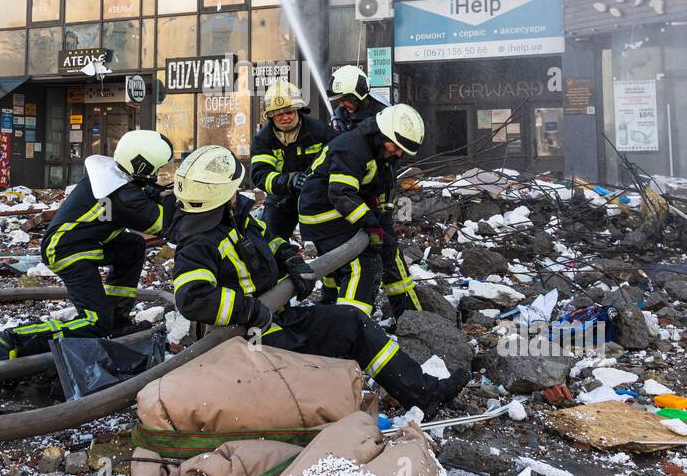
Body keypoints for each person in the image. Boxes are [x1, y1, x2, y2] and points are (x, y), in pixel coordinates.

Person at [169, 145, 468, 415]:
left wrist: (291, 260)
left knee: (352, 322)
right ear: (221, 195)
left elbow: (269, 240)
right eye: (233, 188)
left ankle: (423, 394)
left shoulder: (235, 218)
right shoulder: (197, 243)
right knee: (321, 369)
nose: (238, 193)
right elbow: (193, 298)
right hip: (246, 343)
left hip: (274, 320)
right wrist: (248, 309)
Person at [0, 130, 176, 360]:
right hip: (67, 250)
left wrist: (159, 193)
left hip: (84, 242)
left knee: (131, 246)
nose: (160, 174)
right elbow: (166, 224)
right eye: (158, 169)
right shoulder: (122, 198)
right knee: (94, 323)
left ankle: (117, 319)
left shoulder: (114, 176)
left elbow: (140, 192)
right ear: (143, 167)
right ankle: (11, 340)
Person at [298, 104, 425, 318]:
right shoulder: (353, 147)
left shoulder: (383, 154)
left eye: (403, 151)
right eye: (395, 146)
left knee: (381, 255)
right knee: (363, 265)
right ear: (382, 132)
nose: (398, 153)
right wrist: (370, 223)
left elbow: (382, 196)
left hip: (339, 213)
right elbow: (341, 192)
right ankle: (350, 329)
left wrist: (384, 231)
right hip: (324, 214)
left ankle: (407, 316)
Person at [249, 80, 335, 242]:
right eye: (279, 113)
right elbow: (260, 175)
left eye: (289, 112)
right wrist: (289, 180)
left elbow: (338, 158)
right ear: (270, 115)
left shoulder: (318, 131)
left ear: (298, 110)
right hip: (281, 198)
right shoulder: (263, 140)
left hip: (318, 195)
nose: (285, 117)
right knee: (270, 240)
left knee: (327, 239)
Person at [328, 65, 387, 133]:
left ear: (357, 95)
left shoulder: (382, 115)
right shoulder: (340, 114)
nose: (342, 105)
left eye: (343, 100)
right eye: (339, 101)